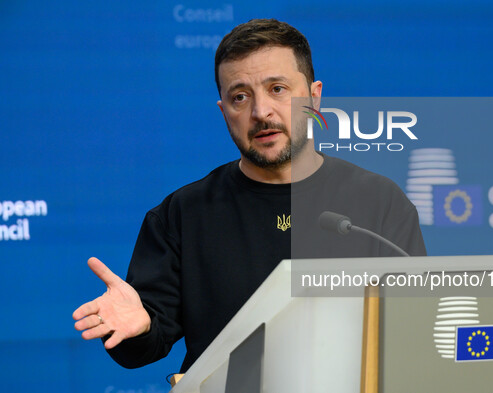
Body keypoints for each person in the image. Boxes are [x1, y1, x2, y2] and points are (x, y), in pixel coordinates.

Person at [72, 18, 426, 373]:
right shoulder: (182, 214)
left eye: (278, 89)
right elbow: (143, 342)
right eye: (240, 97)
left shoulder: (380, 202)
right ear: (224, 111)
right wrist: (139, 327)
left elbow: (415, 333)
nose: (261, 112)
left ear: (314, 96)